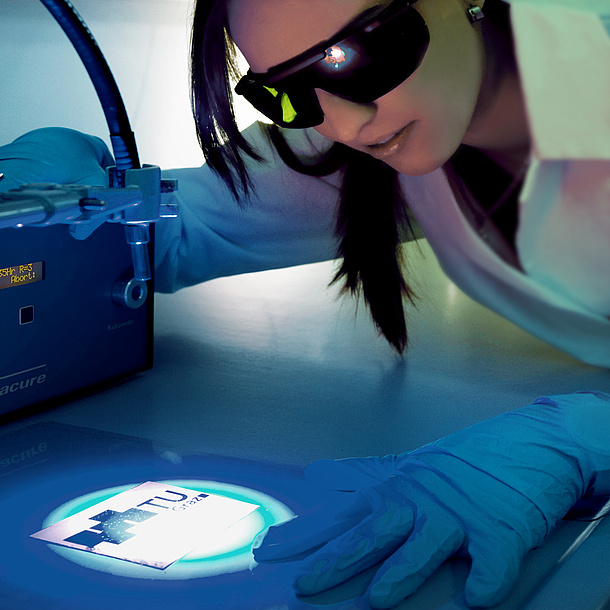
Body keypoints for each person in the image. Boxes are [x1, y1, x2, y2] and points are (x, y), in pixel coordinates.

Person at [0, 0, 608, 607]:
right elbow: (181, 229)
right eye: (287, 94)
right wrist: (57, 206)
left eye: (355, 55)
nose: (341, 123)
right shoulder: (374, 147)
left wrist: (583, 436)